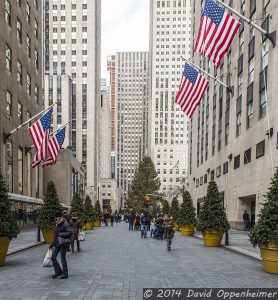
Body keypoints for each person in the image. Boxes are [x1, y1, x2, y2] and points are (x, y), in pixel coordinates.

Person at [50, 212, 72, 279]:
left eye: (56, 217)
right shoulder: (57, 223)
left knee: (63, 259)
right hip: (57, 243)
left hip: (62, 243)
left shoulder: (65, 223)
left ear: (59, 217)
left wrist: (61, 234)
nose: (55, 219)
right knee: (53, 257)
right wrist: (52, 244)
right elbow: (56, 235)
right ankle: (58, 272)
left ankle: (65, 274)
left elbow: (70, 233)